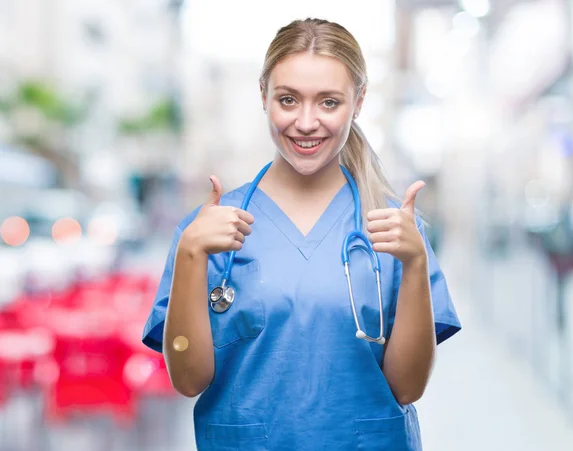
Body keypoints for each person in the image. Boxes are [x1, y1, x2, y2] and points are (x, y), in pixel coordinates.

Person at [142, 17, 461, 451]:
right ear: (263, 96)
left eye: (329, 102)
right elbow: (188, 378)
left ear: (359, 101)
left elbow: (407, 389)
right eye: (288, 100)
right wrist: (190, 255)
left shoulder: (393, 230)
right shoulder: (208, 229)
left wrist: (416, 261)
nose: (306, 122)